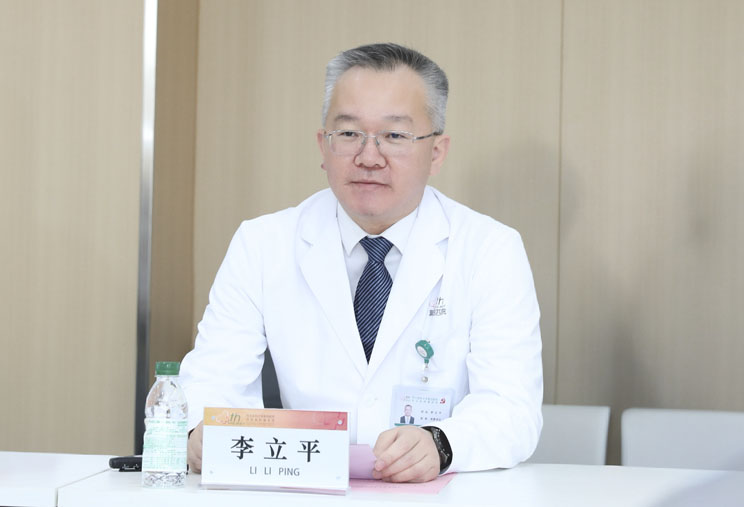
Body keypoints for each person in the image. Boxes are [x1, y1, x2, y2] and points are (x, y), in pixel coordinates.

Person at [179, 42, 543, 484]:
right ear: (323, 145)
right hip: (304, 489)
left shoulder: (490, 249)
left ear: (437, 152)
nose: (369, 157)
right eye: (349, 134)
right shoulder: (262, 244)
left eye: (395, 136)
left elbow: (512, 408)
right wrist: (199, 431)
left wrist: (442, 443)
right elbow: (213, 379)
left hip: (436, 492)